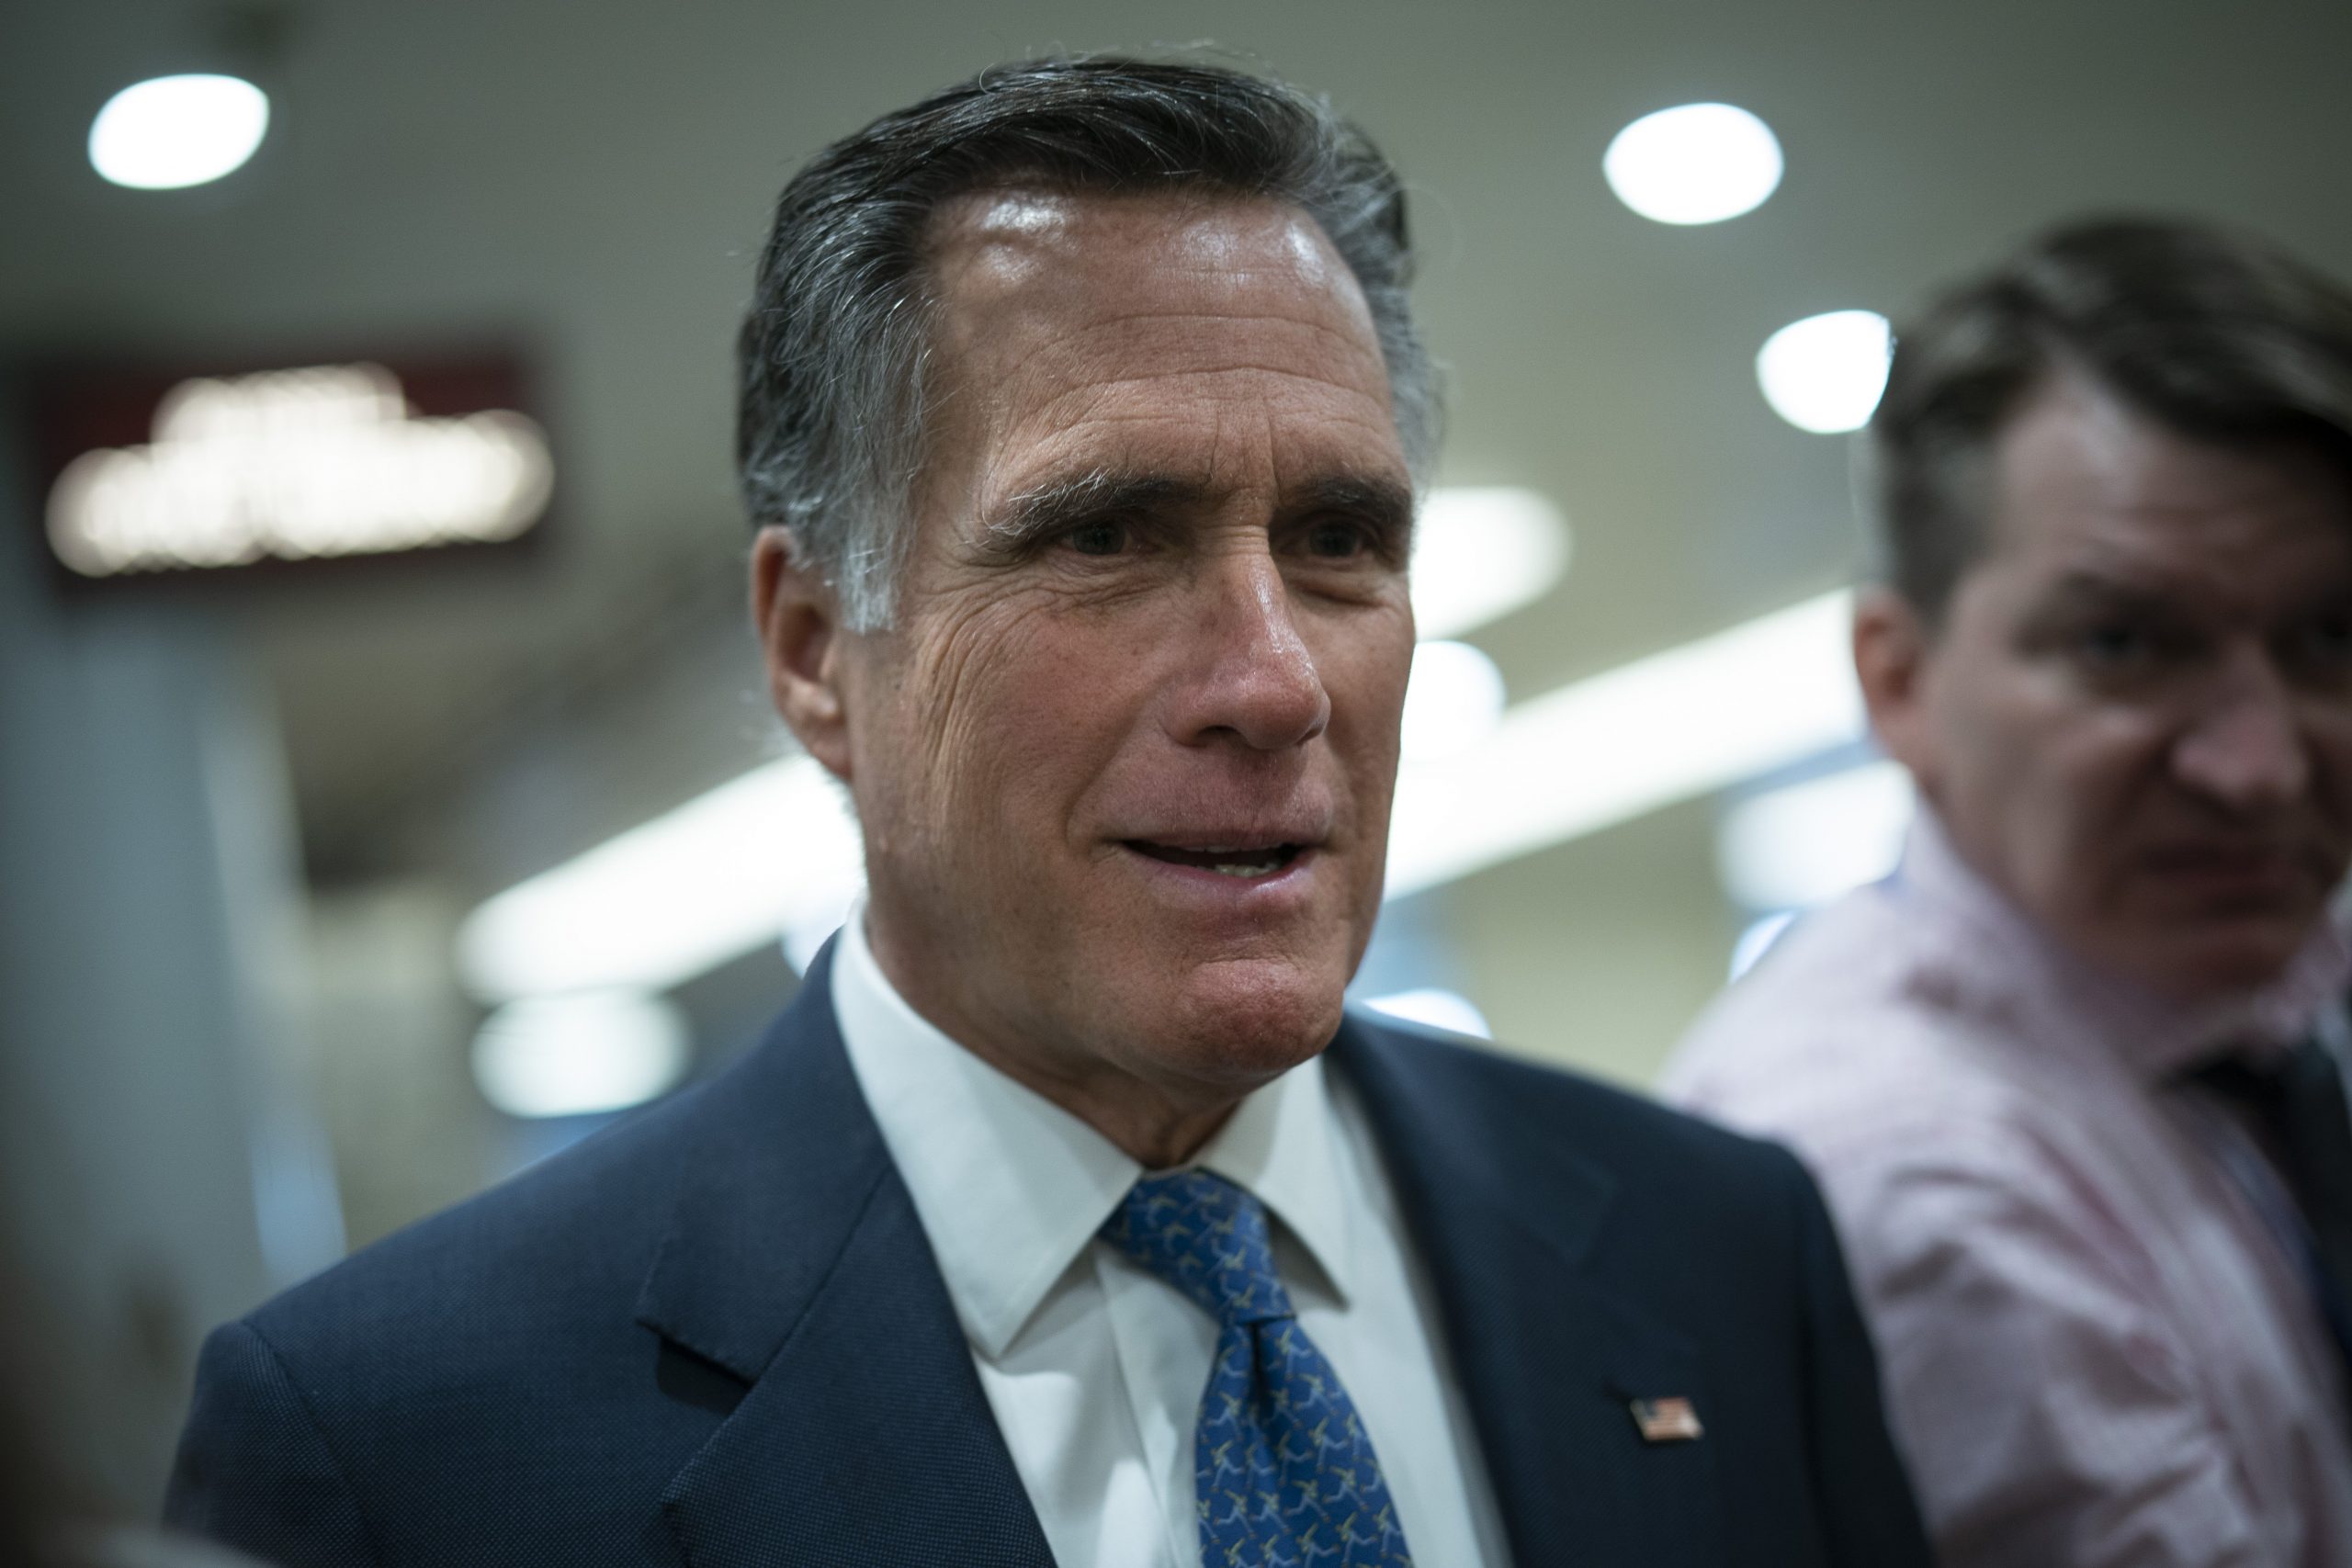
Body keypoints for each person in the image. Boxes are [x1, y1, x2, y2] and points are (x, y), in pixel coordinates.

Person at [166, 57, 1928, 1567]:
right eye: (1100, 538)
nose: (1275, 679)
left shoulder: (1717, 1250)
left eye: (1338, 542)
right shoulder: (397, 1446)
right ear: (809, 649)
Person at [1666, 216, 2352, 1567]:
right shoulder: (1900, 1168)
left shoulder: (2272, 984)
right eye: (2125, 644)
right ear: (1899, 682)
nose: (2262, 768)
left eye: (2332, 635)